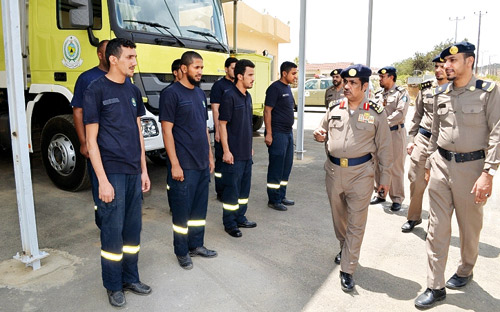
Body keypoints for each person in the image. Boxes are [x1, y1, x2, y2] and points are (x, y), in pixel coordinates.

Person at [415, 42, 500, 309]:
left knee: (469, 228)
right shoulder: (440, 93)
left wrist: (489, 172)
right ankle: (435, 286)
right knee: (436, 228)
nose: (447, 67)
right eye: (445, 63)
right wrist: (429, 164)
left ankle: (465, 269)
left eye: (453, 62)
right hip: (441, 164)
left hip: (472, 169)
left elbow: (498, 132)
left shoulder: (489, 92)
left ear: (469, 62)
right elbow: (435, 132)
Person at [83, 38, 151, 308]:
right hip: (111, 173)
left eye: (135, 57)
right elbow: (91, 141)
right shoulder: (95, 90)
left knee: (133, 230)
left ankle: (131, 277)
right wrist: (102, 180)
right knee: (112, 231)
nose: (134, 62)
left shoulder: (133, 92)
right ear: (113, 59)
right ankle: (113, 285)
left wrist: (144, 170)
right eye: (129, 57)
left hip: (134, 171)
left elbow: (138, 132)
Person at [313, 64, 393, 292]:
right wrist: (319, 135)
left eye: (353, 83)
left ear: (365, 86)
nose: (346, 87)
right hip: (333, 171)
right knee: (339, 219)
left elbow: (385, 148)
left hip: (361, 174)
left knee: (356, 223)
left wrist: (384, 179)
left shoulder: (376, 112)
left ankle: (347, 268)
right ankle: (344, 247)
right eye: (346, 82)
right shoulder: (334, 107)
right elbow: (321, 131)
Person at [159, 51, 217, 270]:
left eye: (201, 68)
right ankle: (182, 251)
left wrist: (210, 156)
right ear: (183, 68)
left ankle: (196, 245)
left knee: (199, 211)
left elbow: (203, 128)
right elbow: (167, 131)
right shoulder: (171, 94)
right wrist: (174, 163)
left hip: (202, 163)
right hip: (183, 165)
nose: (200, 72)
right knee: (182, 212)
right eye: (196, 67)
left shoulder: (200, 95)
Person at [402, 55, 448, 233]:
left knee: (440, 185)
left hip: (444, 142)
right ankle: (413, 217)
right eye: (436, 66)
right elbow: (417, 115)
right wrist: (412, 140)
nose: (438, 70)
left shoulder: (456, 91)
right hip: (424, 138)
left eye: (442, 66)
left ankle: (436, 225)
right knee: (416, 179)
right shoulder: (426, 89)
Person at [72, 39, 108, 227]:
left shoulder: (123, 77)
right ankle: (103, 223)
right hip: (96, 143)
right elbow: (78, 111)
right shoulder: (87, 78)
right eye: (107, 51)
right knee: (99, 184)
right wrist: (83, 141)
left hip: (117, 145)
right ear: (100, 55)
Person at [219, 59, 257, 237]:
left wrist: (250, 147)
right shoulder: (229, 95)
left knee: (244, 189)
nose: (253, 78)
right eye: (250, 75)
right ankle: (230, 223)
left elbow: (247, 125)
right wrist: (226, 150)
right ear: (240, 76)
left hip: (245, 153)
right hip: (233, 154)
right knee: (231, 190)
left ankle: (241, 217)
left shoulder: (247, 96)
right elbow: (222, 124)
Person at [370, 66, 410, 211]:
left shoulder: (402, 93)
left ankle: (397, 198)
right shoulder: (378, 94)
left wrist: (382, 124)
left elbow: (400, 113)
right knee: (378, 163)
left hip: (394, 134)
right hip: (379, 135)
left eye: (382, 77)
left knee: (395, 167)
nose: (380, 79)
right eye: (379, 77)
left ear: (391, 77)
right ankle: (380, 193)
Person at [264, 61, 298, 211]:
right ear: (284, 73)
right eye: (293, 73)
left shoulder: (288, 88)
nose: (295, 76)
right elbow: (267, 111)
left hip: (288, 133)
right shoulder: (274, 88)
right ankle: (273, 199)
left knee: (286, 166)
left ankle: (281, 196)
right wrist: (269, 133)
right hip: (277, 134)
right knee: (276, 167)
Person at [210, 57, 238, 201]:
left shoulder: (238, 85)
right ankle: (220, 191)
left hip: (235, 133)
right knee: (221, 162)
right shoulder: (219, 86)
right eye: (233, 68)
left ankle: (231, 188)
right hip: (223, 130)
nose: (235, 70)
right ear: (226, 69)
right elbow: (216, 109)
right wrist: (218, 131)